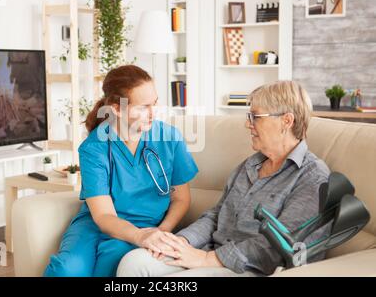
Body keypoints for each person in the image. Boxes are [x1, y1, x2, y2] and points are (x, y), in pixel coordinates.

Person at [117, 81, 331, 277]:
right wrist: (181, 241)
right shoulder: (249, 165)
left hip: (249, 268)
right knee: (134, 263)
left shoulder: (312, 177)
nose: (248, 124)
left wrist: (207, 259)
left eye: (255, 117)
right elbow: (217, 215)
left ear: (286, 120)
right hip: (211, 252)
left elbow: (282, 245)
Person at [43, 65, 199, 277]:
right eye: (143, 107)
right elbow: (104, 215)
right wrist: (140, 237)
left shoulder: (169, 138)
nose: (153, 114)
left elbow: (181, 198)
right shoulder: (95, 147)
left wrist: (160, 232)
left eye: (154, 103)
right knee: (66, 270)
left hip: (148, 226)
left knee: (111, 266)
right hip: (96, 225)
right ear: (116, 108)